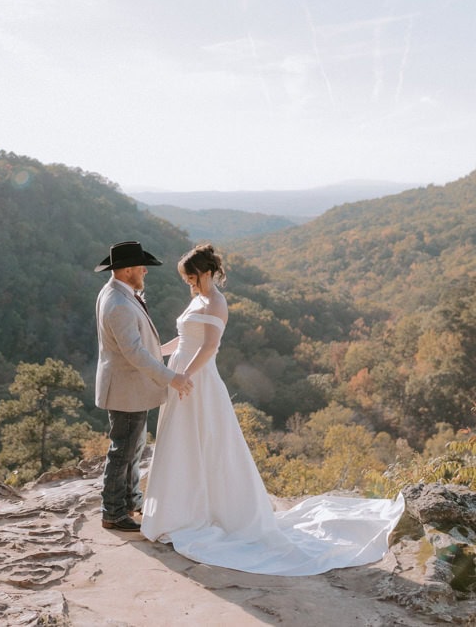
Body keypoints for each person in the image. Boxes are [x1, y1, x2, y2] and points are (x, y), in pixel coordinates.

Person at [141, 243, 404, 575]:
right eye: (186, 277)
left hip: (198, 380)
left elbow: (209, 347)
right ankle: (177, 510)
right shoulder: (197, 299)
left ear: (206, 272)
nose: (188, 282)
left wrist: (184, 376)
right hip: (180, 375)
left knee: (208, 445)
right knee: (180, 444)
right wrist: (155, 353)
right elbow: (184, 338)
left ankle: (205, 511)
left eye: (191, 276)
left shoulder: (217, 302)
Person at [94, 240, 193, 532]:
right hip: (126, 389)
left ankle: (130, 500)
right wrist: (170, 377)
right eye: (141, 268)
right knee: (123, 450)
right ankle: (112, 512)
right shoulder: (117, 304)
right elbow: (134, 353)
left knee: (133, 448)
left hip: (130, 387)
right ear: (126, 271)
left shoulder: (118, 293)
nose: (145, 273)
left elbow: (138, 345)